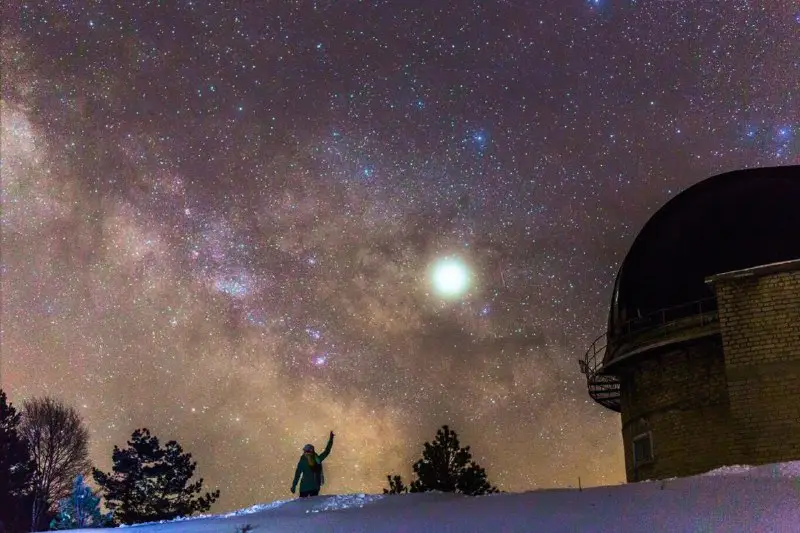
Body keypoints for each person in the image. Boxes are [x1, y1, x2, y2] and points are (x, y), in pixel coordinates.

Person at [291, 431, 334, 498]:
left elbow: (297, 474)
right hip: (314, 488)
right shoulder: (317, 459)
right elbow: (327, 451)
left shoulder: (303, 460)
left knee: (302, 507)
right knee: (312, 506)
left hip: (304, 488)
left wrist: (294, 486)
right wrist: (331, 439)